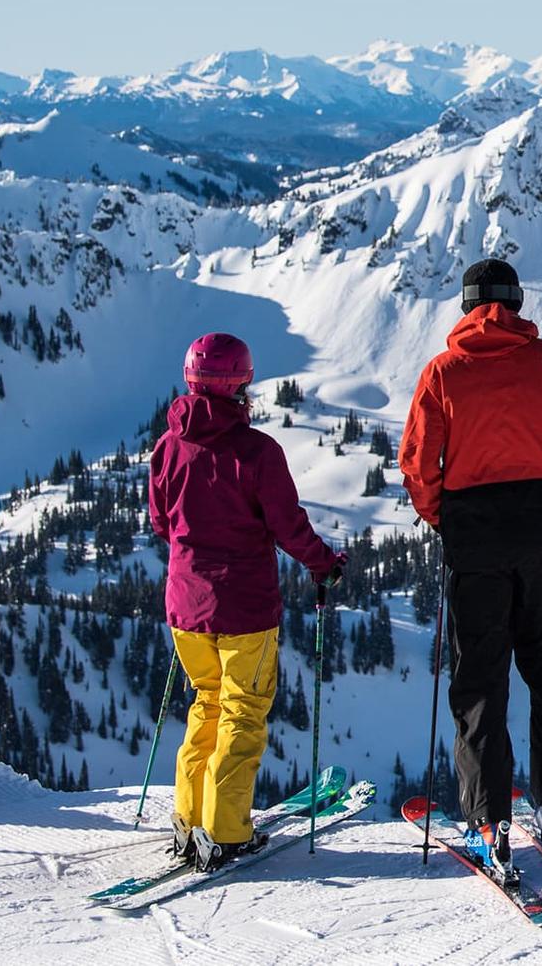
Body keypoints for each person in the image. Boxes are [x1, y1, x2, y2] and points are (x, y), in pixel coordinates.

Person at [399, 259, 542, 873]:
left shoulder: (443, 372)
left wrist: (449, 518)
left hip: (476, 541)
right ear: (516, 302)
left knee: (480, 685)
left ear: (466, 306)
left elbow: (419, 467)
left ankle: (489, 823)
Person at [148, 333, 346, 871]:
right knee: (242, 713)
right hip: (245, 611)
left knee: (206, 705)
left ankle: (189, 822)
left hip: (186, 609)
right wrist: (323, 563)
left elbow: (161, 522)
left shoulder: (168, 446)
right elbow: (288, 526)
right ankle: (227, 831)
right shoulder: (257, 452)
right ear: (241, 384)